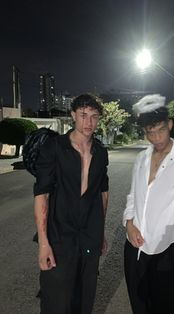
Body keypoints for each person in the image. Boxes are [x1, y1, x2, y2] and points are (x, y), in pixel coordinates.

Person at [123, 94, 174, 314]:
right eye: (150, 132)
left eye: (161, 130)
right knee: (139, 307)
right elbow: (132, 197)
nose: (156, 137)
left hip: (167, 250)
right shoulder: (141, 159)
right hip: (135, 249)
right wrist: (129, 224)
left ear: (170, 124)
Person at [34, 93, 109, 314]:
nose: (89, 122)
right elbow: (42, 195)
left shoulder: (101, 152)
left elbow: (103, 193)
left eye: (94, 116)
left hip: (89, 235)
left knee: (84, 298)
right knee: (56, 300)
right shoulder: (55, 147)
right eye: (83, 115)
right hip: (59, 236)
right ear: (73, 115)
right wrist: (43, 243)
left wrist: (101, 232)